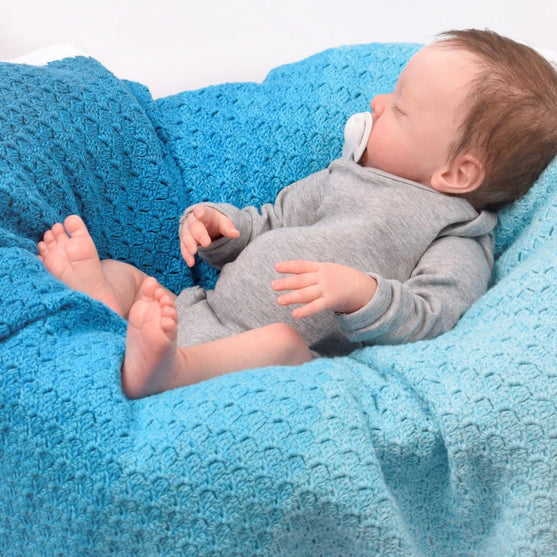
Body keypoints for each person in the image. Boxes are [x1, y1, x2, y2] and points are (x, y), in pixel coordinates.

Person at [38, 29, 557, 398]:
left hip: (267, 357)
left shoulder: (457, 235)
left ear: (458, 173)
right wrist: (222, 227)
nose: (377, 103)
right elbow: (272, 218)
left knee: (283, 342)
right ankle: (105, 298)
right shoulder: (344, 175)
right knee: (133, 279)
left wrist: (362, 294)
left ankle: (169, 372)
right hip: (203, 309)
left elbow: (434, 315)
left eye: (399, 107)